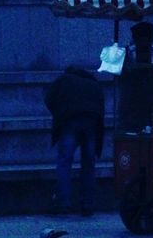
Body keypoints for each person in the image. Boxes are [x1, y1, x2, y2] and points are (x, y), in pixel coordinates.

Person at [43, 64, 104, 217]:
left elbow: (49, 99)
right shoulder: (94, 84)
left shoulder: (64, 80)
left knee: (64, 162)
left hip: (69, 121)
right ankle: (87, 205)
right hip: (91, 122)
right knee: (88, 163)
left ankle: (63, 203)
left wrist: (60, 112)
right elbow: (101, 108)